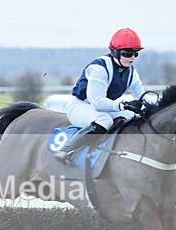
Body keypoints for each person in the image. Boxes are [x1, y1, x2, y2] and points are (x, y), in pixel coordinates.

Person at [54, 28, 146, 161]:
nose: (132, 58)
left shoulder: (131, 72)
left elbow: (142, 98)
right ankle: (66, 151)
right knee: (104, 120)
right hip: (80, 106)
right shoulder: (99, 68)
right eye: (128, 53)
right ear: (115, 52)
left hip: (102, 108)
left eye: (135, 53)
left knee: (132, 116)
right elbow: (98, 103)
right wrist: (124, 105)